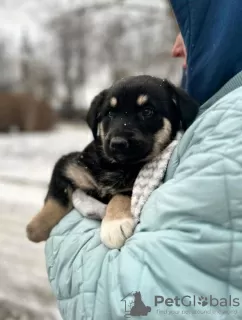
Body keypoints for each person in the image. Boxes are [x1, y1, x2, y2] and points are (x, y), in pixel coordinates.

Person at [45, 1, 242, 319]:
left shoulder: (229, 127)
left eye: (193, 32)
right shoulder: (210, 125)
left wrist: (68, 227)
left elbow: (131, 299)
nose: (177, 47)